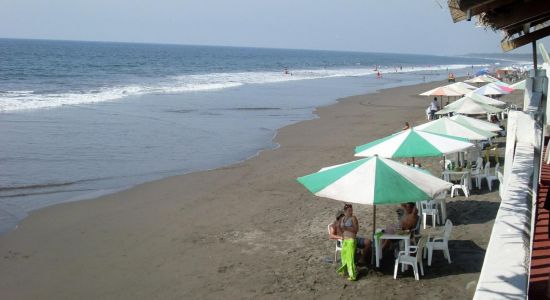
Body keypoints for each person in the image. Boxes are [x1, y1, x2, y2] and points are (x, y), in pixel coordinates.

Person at [337, 204, 359, 280]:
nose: (351, 212)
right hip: (345, 240)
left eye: (351, 210)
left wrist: (346, 228)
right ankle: (344, 271)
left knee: (350, 258)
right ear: (345, 211)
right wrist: (341, 235)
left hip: (351, 240)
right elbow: (338, 227)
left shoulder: (353, 218)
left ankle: (353, 276)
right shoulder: (343, 218)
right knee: (344, 257)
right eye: (349, 211)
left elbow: (356, 230)